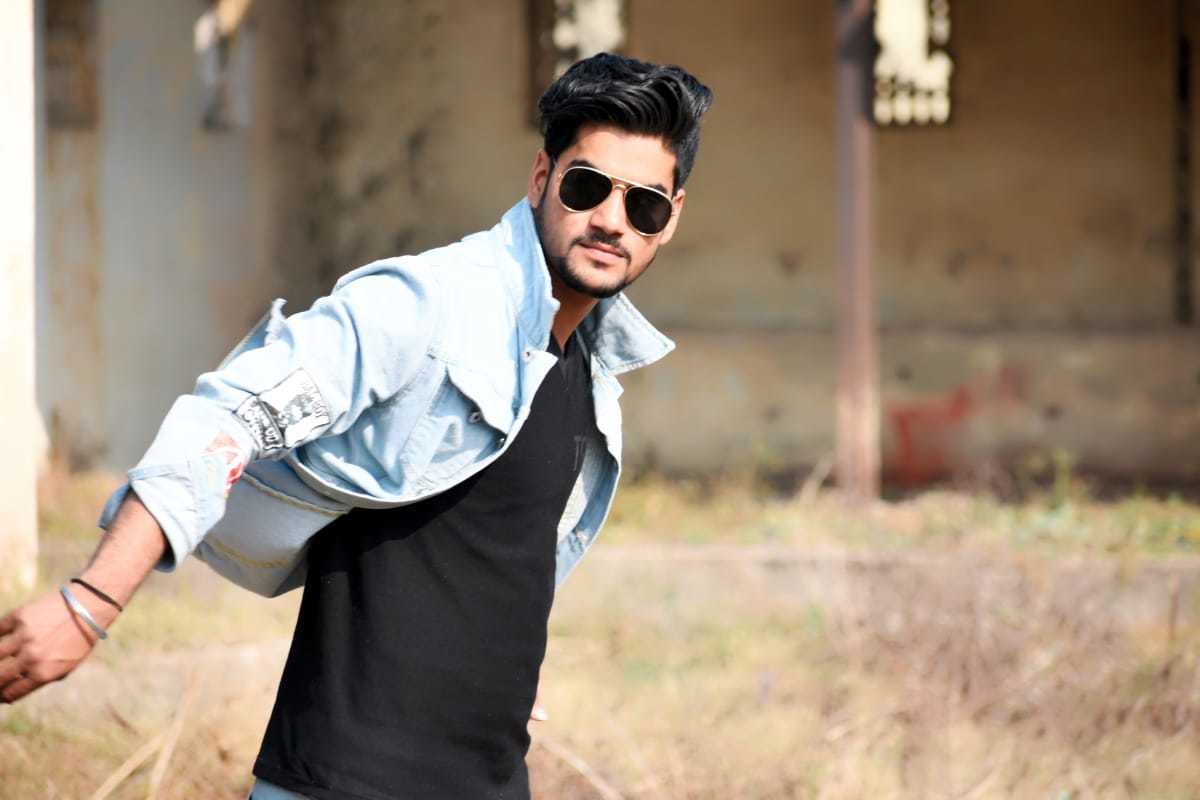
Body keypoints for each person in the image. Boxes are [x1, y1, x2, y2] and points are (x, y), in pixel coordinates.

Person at [0, 52, 712, 798]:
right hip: (345, 779)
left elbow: (501, 554)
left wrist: (502, 668)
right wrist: (90, 603)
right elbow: (229, 417)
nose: (611, 221)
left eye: (644, 205)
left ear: (670, 220)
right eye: (586, 186)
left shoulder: (586, 368)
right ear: (541, 178)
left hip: (492, 778)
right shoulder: (428, 306)